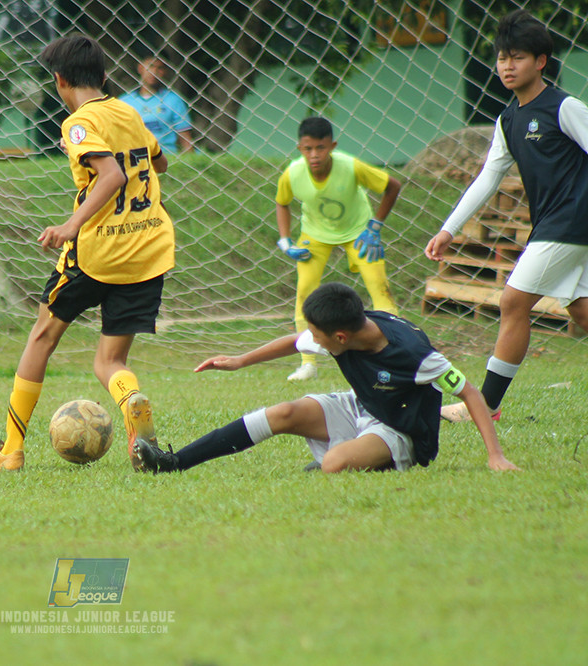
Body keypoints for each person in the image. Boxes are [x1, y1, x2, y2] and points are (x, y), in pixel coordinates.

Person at [0, 34, 175, 472]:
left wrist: (71, 224)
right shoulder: (129, 111)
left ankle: (10, 450)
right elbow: (158, 164)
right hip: (146, 250)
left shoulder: (78, 123)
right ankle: (130, 402)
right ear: (104, 76)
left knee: (42, 338)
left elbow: (112, 176)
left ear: (60, 80)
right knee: (110, 361)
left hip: (97, 251)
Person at [134, 282, 520, 474]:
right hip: (364, 406)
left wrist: (496, 456)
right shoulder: (346, 329)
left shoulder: (414, 355)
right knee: (284, 412)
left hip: (401, 432)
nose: (310, 343)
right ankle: (174, 463)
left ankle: (354, 456)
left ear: (340, 338)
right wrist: (239, 360)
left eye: (317, 338)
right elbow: (293, 341)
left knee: (335, 464)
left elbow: (470, 393)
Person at [426, 10, 588, 423]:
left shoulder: (565, 107)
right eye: (502, 58)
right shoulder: (509, 119)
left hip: (571, 223)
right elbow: (486, 179)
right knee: (581, 310)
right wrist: (449, 229)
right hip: (554, 224)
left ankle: (484, 406)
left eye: (516, 57)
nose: (507, 66)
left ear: (541, 62)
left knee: (513, 301)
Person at [276, 116, 402, 382]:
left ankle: (395, 357)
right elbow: (282, 202)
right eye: (308, 148)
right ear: (299, 148)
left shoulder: (351, 167)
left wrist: (375, 227)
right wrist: (286, 241)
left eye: (320, 148)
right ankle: (308, 363)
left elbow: (392, 186)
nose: (314, 155)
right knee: (304, 294)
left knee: (379, 288)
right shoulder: (292, 173)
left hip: (359, 233)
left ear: (332, 146)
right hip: (315, 235)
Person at [119, 55, 193, 154]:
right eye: (150, 66)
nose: (154, 72)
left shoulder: (173, 100)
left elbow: (185, 137)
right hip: (134, 158)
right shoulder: (124, 101)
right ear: (140, 68)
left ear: (165, 72)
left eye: (160, 68)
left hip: (167, 156)